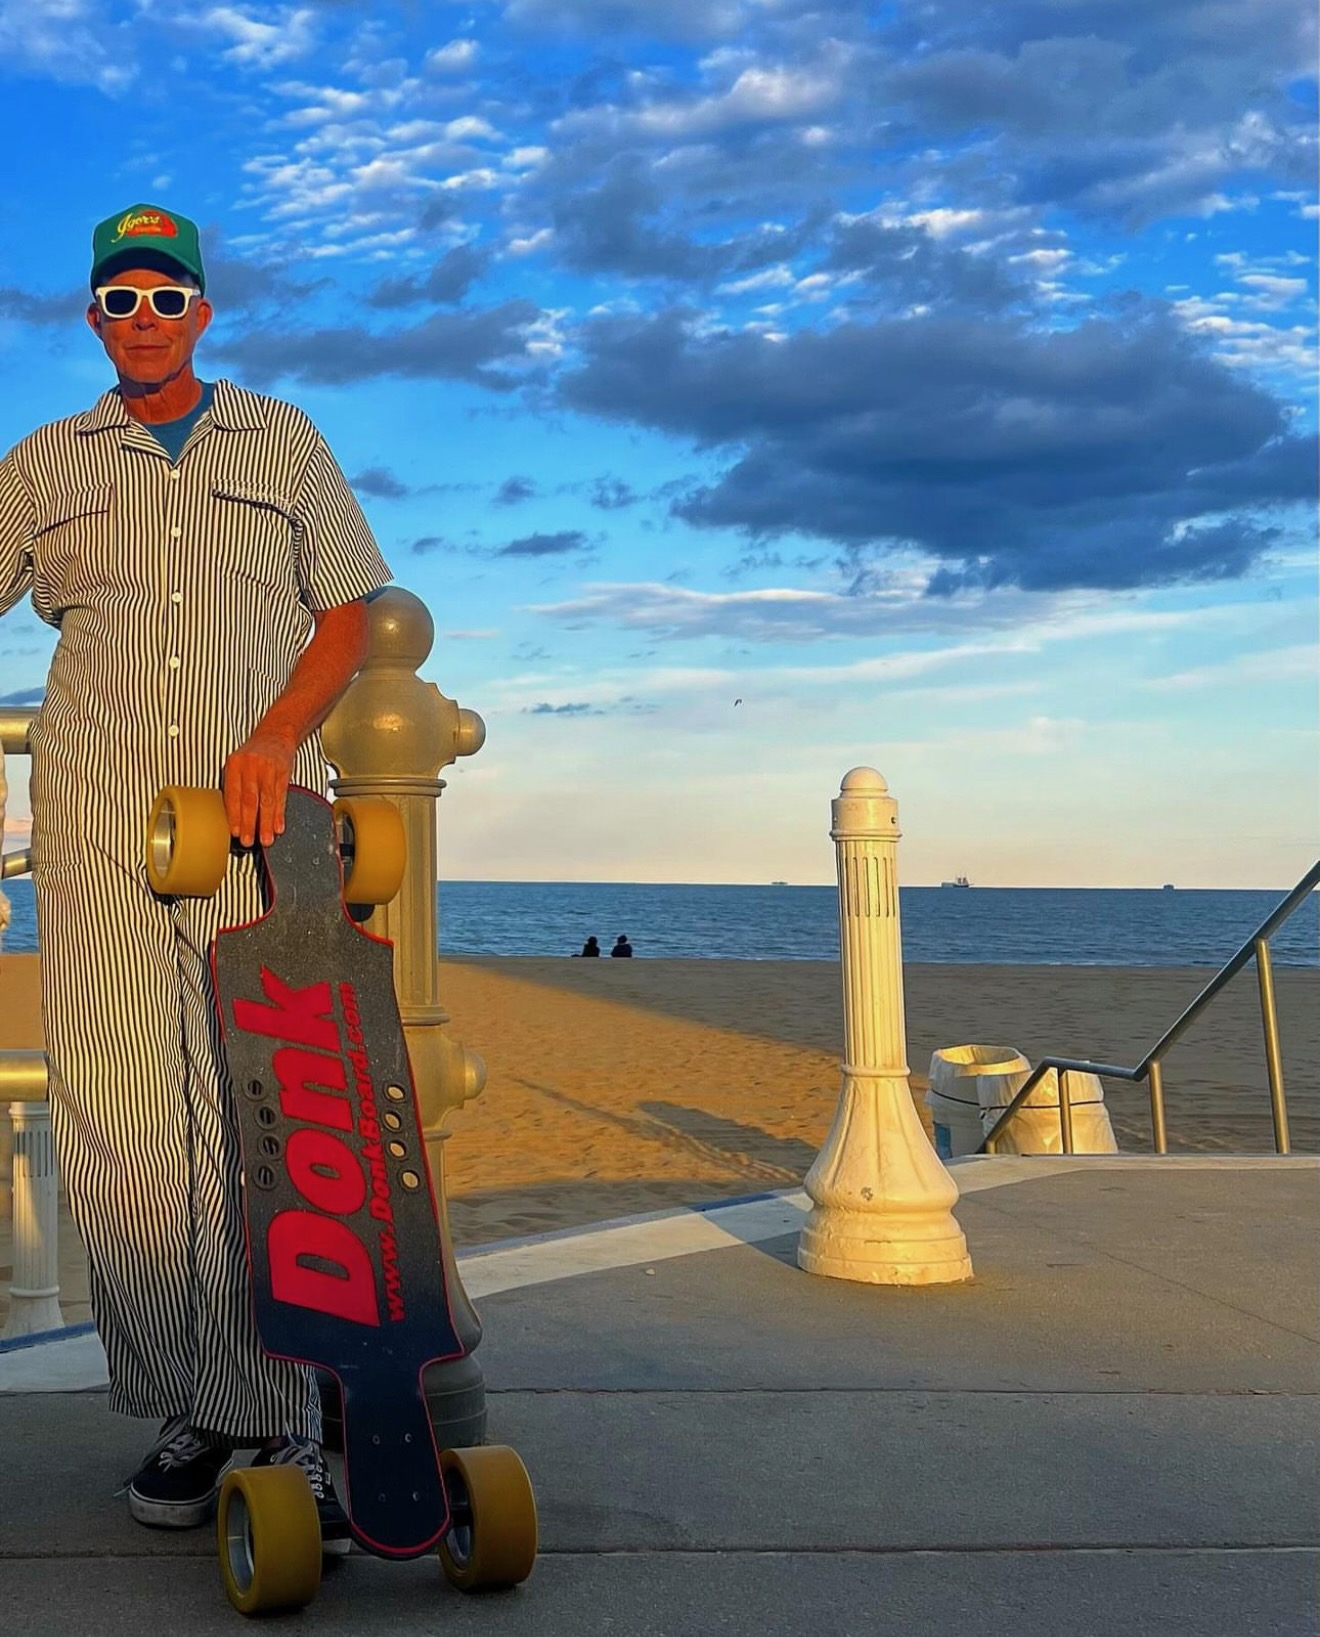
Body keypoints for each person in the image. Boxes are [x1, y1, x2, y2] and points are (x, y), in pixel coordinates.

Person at [0, 204, 392, 1546]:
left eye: (167, 296)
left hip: (252, 823)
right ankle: (199, 1407)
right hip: (100, 831)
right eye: (121, 299)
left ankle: (295, 1410)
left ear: (204, 312)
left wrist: (277, 736)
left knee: (270, 1106)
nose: (145, 319)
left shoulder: (279, 437)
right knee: (118, 1114)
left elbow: (348, 608)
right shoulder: (44, 461)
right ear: (92, 319)